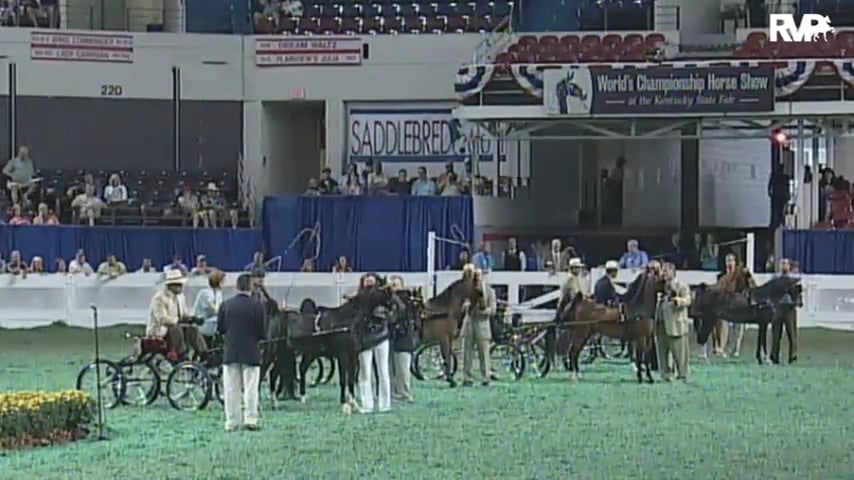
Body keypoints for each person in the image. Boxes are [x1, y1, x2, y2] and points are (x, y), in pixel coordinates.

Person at [217, 273, 267, 432]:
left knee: (231, 389)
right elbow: (262, 332)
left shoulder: (225, 305)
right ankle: (251, 419)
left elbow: (221, 329)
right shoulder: (258, 306)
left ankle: (232, 421)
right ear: (250, 287)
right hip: (251, 350)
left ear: (237, 286)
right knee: (251, 388)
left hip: (231, 350)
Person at [146, 270, 208, 362]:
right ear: (171, 286)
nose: (182, 287)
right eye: (179, 285)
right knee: (175, 328)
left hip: (176, 329)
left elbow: (183, 314)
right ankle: (182, 354)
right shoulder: (159, 298)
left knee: (192, 328)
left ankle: (203, 353)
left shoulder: (181, 297)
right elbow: (162, 319)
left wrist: (193, 319)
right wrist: (178, 320)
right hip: (160, 330)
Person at [357, 273, 392, 413]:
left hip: (380, 336)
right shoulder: (360, 298)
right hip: (365, 338)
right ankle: (367, 404)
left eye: (371, 281)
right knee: (365, 372)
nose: (369, 283)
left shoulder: (384, 297)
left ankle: (384, 404)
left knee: (383, 371)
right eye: (367, 281)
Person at [655, 263, 691, 381]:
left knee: (680, 352)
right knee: (662, 351)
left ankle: (683, 374)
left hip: (676, 324)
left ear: (673, 271)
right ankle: (665, 374)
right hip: (661, 323)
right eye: (663, 270)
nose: (663, 273)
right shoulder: (660, 286)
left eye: (666, 270)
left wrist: (678, 301)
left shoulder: (681, 285)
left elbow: (688, 300)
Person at [462, 268, 496, 386]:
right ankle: (467, 377)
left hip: (482, 323)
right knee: (467, 351)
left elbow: (493, 308)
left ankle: (485, 377)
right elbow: (462, 305)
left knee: (484, 352)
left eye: (479, 276)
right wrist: (466, 306)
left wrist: (485, 311)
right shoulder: (468, 291)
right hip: (470, 321)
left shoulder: (489, 291)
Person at [388, 275, 417, 402]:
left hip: (404, 339)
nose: (393, 287)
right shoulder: (387, 300)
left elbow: (404, 313)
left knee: (403, 369)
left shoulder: (407, 300)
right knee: (390, 369)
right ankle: (393, 393)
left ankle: (404, 394)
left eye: (395, 284)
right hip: (390, 338)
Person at [771, 258, 800, 364]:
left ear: (789, 266)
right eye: (782, 264)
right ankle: (774, 355)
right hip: (778, 307)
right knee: (776, 334)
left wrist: (796, 302)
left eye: (785, 264)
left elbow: (798, 293)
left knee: (791, 333)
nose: (783, 266)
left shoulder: (793, 279)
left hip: (789, 308)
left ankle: (793, 355)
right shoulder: (775, 278)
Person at [193, 270, 225, 337]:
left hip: (212, 323)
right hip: (203, 324)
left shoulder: (219, 293)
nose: (224, 283)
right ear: (218, 281)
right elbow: (213, 310)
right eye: (223, 281)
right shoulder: (204, 293)